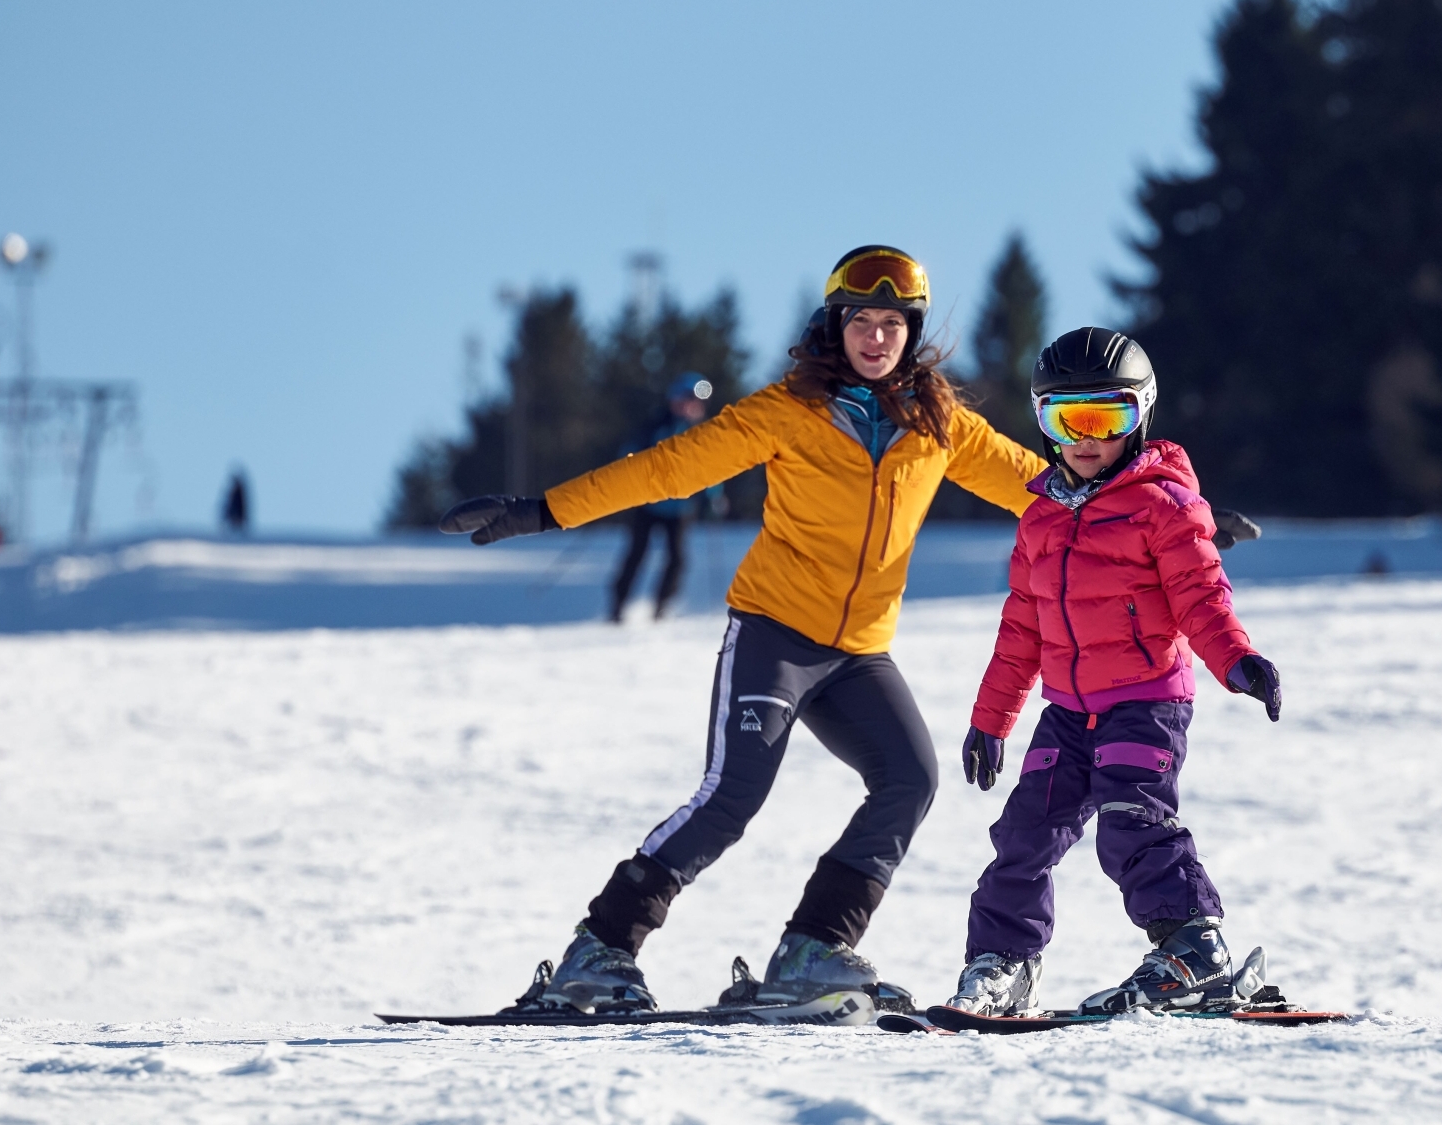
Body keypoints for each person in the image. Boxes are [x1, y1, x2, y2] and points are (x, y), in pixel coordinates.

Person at [438, 246, 1055, 1013]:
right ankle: (598, 948)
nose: (876, 337)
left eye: (892, 323)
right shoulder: (787, 410)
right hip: (774, 635)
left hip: (859, 653)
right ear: (836, 327)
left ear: (911, 332)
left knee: (910, 779)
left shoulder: (940, 426)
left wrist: (1164, 514)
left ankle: (814, 946)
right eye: (861, 320)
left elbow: (1044, 486)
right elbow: (668, 469)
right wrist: (541, 509)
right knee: (732, 795)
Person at [943, 327, 1284, 1018]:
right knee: (1024, 832)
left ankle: (1195, 949)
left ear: (1141, 416)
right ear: (1045, 424)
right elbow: (1020, 632)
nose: (1088, 438)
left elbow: (1201, 595)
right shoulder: (1039, 517)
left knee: (1132, 820)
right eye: (1069, 419)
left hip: (1146, 701)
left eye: (1108, 417)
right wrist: (990, 719)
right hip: (1067, 711)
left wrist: (1236, 659)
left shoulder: (1165, 504)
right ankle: (1003, 963)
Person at [609, 373, 717, 623]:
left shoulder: (701, 432)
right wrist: (626, 478)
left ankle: (661, 606)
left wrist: (713, 496)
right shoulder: (655, 425)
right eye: (688, 398)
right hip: (648, 503)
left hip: (680, 507)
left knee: (677, 559)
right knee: (636, 555)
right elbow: (629, 454)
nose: (692, 405)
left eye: (697, 402)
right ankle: (618, 605)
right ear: (675, 398)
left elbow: (712, 467)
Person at [221, 467, 249, 535]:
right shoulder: (235, 490)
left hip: (237, 517)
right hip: (234, 517)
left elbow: (243, 505)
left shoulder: (239, 491)